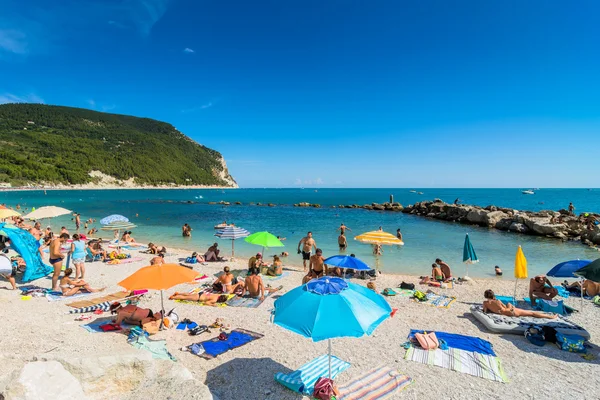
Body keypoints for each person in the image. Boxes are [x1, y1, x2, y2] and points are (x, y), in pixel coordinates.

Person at [483, 289, 557, 319]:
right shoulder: (497, 301)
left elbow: (485, 311)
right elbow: (505, 307)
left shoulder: (485, 303)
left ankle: (549, 316)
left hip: (506, 312)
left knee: (509, 304)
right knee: (532, 313)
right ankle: (550, 317)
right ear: (493, 295)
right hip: (510, 312)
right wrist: (510, 307)